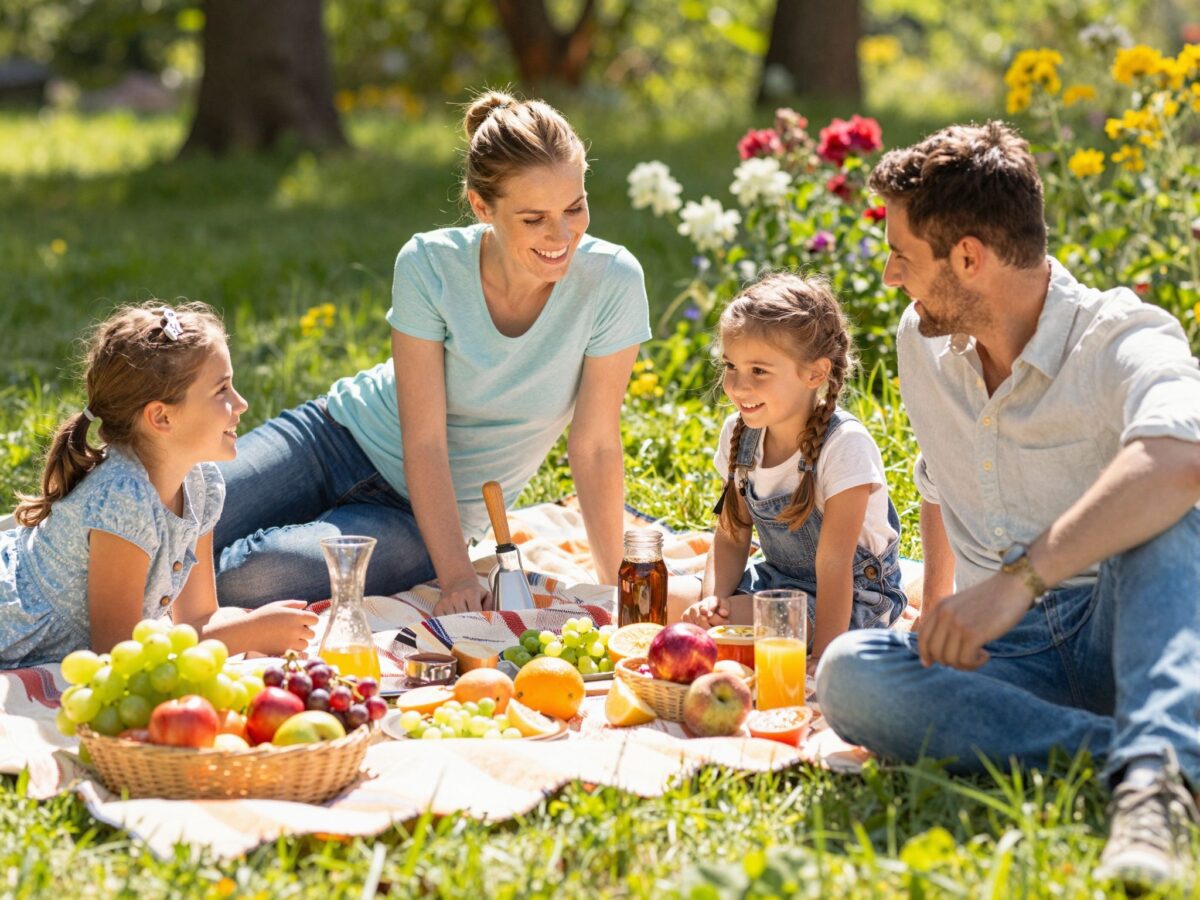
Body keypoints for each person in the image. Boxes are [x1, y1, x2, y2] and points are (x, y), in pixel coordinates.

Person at [815, 122, 1200, 888]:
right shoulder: (920, 341)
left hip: (1129, 623)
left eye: (902, 255)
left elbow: (1184, 457)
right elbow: (938, 473)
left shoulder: (1120, 337)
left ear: (969, 257)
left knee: (1169, 505)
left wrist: (1015, 584)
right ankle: (1135, 752)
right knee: (850, 673)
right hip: (1009, 658)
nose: (890, 276)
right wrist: (943, 602)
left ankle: (1157, 789)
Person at [214, 90, 650, 615]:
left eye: (575, 207)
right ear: (481, 206)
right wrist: (460, 577)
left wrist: (615, 592)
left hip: (419, 521)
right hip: (334, 437)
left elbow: (596, 445)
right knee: (182, 499)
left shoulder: (612, 282)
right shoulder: (430, 263)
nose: (561, 234)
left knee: (251, 576)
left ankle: (176, 591)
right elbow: (423, 438)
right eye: (534, 219)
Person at [0, 303, 319, 668]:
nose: (242, 403)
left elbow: (198, 618)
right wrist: (248, 633)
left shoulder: (200, 484)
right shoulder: (123, 500)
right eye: (222, 390)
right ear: (161, 416)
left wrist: (252, 632)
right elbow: (118, 653)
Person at [671, 272, 906, 665]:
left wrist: (826, 661)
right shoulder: (740, 434)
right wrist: (714, 601)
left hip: (849, 601)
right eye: (731, 366)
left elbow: (834, 565)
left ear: (815, 373)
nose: (737, 386)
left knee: (727, 635)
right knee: (671, 603)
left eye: (759, 371)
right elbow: (732, 534)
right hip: (776, 583)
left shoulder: (844, 446)